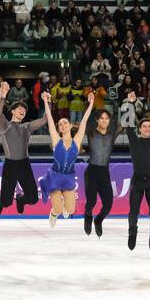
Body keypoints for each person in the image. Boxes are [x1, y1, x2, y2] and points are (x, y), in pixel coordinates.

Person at [122, 93, 150, 261]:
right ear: (140, 129)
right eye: (144, 127)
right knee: (133, 212)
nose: (147, 128)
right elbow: (127, 125)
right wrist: (130, 103)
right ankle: (132, 231)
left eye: (149, 126)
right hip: (137, 181)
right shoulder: (134, 141)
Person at [0, 79, 47, 217]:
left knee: (34, 199)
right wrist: (3, 95)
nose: (23, 110)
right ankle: (0, 201)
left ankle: (21, 200)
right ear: (12, 111)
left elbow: (44, 120)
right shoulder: (5, 125)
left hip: (25, 165)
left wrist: (47, 102)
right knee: (6, 203)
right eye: (19, 108)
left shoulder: (27, 127)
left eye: (24, 109)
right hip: (10, 165)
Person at [39, 89, 93, 228]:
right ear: (59, 129)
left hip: (69, 176)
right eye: (60, 124)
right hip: (55, 175)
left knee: (69, 210)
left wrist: (91, 103)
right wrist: (46, 101)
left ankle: (62, 205)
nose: (62, 125)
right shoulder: (56, 140)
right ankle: (53, 213)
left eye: (65, 123)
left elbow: (85, 120)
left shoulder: (77, 141)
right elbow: (50, 119)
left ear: (70, 125)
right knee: (58, 210)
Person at [82, 97, 122, 238]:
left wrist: (130, 103)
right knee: (91, 202)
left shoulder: (112, 134)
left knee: (108, 205)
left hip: (104, 173)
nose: (104, 121)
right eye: (102, 118)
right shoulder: (91, 131)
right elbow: (83, 121)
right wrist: (91, 103)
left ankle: (98, 219)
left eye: (107, 118)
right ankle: (87, 216)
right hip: (92, 172)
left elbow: (125, 122)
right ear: (97, 120)